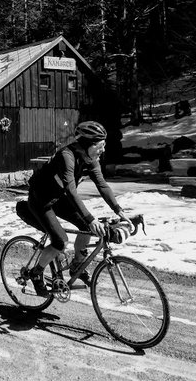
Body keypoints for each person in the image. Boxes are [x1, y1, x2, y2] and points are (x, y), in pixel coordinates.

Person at [26, 121, 132, 296]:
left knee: (86, 229)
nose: (103, 150)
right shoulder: (66, 156)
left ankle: (76, 265)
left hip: (59, 199)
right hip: (41, 200)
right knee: (60, 241)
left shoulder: (91, 160)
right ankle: (36, 273)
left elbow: (103, 186)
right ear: (88, 144)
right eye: (100, 145)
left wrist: (119, 210)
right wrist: (91, 219)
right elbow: (71, 190)